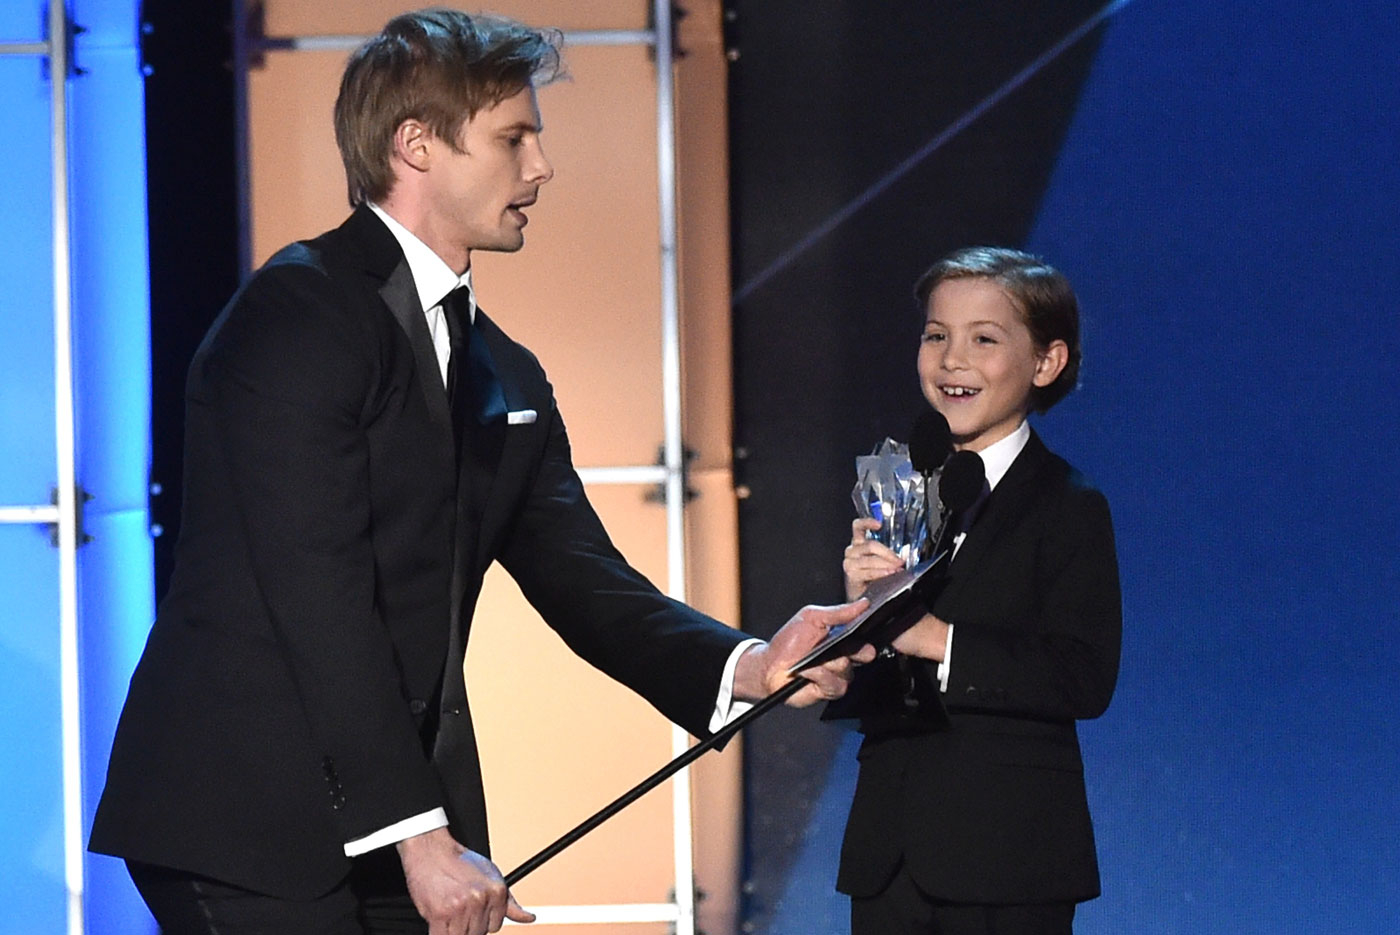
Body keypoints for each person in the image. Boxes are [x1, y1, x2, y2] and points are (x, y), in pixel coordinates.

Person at [89, 9, 868, 935]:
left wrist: (749, 663)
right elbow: (317, 592)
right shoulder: (298, 315)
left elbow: (587, 582)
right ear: (416, 145)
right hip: (241, 812)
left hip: (392, 811)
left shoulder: (506, 372)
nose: (540, 167)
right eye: (514, 137)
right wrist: (420, 836)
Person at [838, 247, 1121, 934]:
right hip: (890, 855)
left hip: (1007, 858)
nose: (951, 359)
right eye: (937, 335)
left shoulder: (1069, 504)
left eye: (984, 339)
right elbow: (867, 687)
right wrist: (855, 619)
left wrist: (937, 637)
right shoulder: (901, 488)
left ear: (1047, 362)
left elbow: (1084, 676)